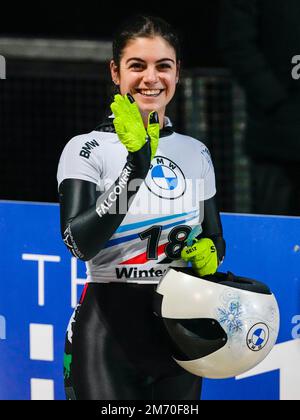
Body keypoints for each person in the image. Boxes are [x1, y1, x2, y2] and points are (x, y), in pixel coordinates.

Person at [57, 15, 226, 401]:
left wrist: (209, 255)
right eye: (137, 66)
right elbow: (78, 243)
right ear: (115, 72)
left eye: (163, 66)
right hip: (107, 333)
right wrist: (136, 165)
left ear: (177, 72)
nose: (151, 78)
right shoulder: (86, 148)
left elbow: (215, 237)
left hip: (182, 335)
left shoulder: (195, 151)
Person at [218, 0, 300, 216]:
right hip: (276, 139)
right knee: (275, 228)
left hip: (277, 122)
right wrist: (276, 101)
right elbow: (237, 44)